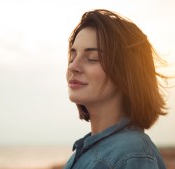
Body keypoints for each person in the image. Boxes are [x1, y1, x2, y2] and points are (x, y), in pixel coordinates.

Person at [64, 9, 168, 169]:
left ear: (126, 72)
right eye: (72, 56)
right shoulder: (84, 153)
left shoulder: (131, 156)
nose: (72, 66)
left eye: (92, 58)